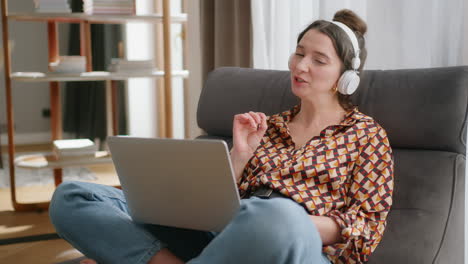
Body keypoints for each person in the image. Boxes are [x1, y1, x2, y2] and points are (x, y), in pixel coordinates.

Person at [49, 9, 394, 264]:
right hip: (230, 235)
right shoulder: (267, 126)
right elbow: (217, 206)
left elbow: (367, 226)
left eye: (318, 60)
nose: (300, 66)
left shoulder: (367, 135)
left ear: (346, 77)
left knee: (276, 215)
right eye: (300, 53)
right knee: (73, 196)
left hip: (299, 245)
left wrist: (289, 219)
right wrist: (239, 156)